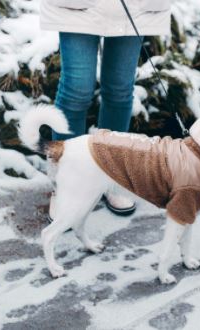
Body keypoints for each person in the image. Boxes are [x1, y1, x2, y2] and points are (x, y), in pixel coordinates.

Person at [40, 0, 171, 215]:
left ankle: (111, 175)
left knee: (119, 89)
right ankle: (67, 182)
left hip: (134, 6)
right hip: (78, 8)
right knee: (76, 89)